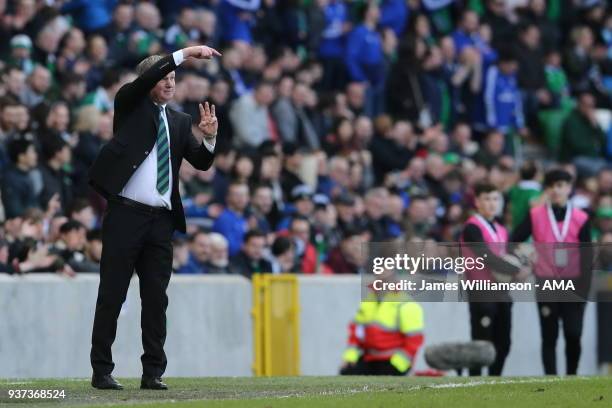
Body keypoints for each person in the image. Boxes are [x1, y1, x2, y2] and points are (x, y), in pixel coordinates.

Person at [88, 44, 221, 391]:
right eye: (164, 76)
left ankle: (153, 372)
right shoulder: (129, 105)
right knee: (112, 294)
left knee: (156, 298)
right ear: (149, 80)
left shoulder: (180, 121)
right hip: (125, 215)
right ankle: (101, 370)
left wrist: (209, 139)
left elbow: (202, 163)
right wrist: (186, 52)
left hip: (161, 221)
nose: (170, 83)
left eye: (174, 78)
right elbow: (149, 77)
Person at [511, 169, 592, 375]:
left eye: (561, 186)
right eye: (552, 186)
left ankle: (572, 376)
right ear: (546, 189)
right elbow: (513, 241)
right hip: (546, 282)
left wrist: (583, 291)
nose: (556, 190)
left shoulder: (581, 217)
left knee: (573, 334)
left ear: (569, 188)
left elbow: (587, 256)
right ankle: (551, 379)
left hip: (574, 283)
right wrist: (527, 258)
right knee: (549, 335)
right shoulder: (536, 215)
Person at [460, 182, 527, 376]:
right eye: (487, 199)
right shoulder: (472, 227)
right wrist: (515, 271)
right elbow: (485, 256)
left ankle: (495, 379)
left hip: (501, 291)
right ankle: (475, 379)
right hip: (481, 290)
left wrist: (524, 266)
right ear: (477, 202)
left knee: (503, 341)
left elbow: (511, 254)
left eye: (495, 199)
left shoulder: (502, 229)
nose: (491, 203)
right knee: (482, 339)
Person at [340, 271, 424, 376]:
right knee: (346, 373)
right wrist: (349, 358)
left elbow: (414, 340)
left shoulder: (406, 304)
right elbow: (356, 333)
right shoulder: (369, 301)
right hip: (370, 358)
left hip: (392, 360)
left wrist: (398, 365)